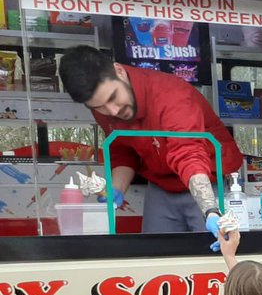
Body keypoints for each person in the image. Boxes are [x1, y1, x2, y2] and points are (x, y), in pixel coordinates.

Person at [59, 45, 243, 237]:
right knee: (155, 254)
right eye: (99, 107)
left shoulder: (172, 96)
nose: (112, 111)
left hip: (209, 180)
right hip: (160, 186)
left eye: (114, 97)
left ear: (119, 72)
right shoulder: (103, 106)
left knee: (215, 252)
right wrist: (116, 189)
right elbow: (123, 151)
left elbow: (189, 154)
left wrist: (210, 211)